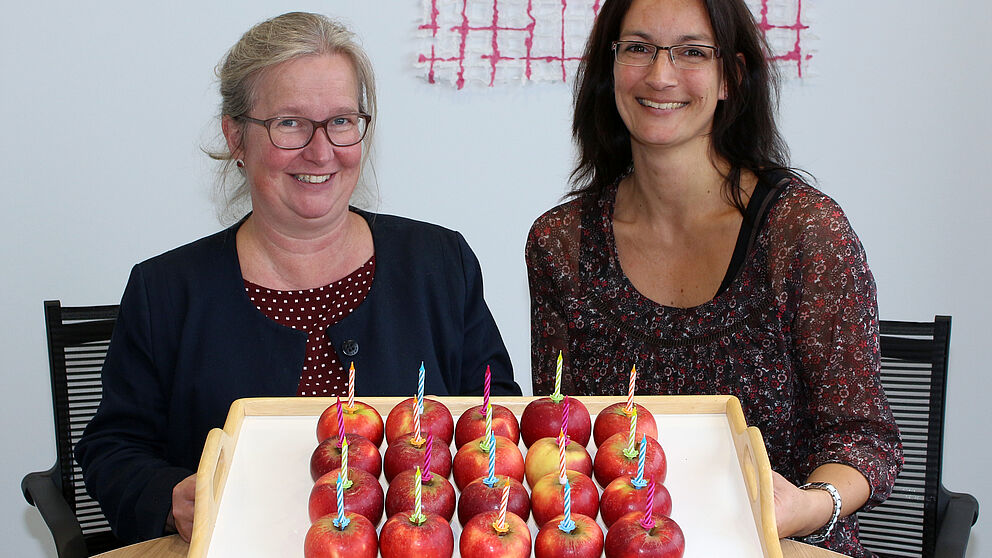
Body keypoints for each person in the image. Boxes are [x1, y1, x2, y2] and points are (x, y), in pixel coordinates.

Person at [76, 12, 520, 545]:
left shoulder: (440, 262)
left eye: (341, 121)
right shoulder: (165, 290)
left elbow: (496, 419)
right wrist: (171, 498)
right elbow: (113, 448)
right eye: (289, 123)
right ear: (236, 136)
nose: (320, 149)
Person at [526, 1, 901, 556]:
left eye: (693, 52)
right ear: (609, 69)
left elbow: (865, 441)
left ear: (732, 77)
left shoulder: (802, 232)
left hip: (780, 543)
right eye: (637, 48)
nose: (660, 74)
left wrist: (806, 504)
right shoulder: (561, 244)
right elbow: (562, 437)